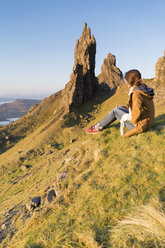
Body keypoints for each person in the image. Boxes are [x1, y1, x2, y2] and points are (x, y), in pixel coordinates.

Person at [86, 69, 155, 137]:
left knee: (115, 111)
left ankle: (97, 127)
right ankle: (99, 125)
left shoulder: (136, 93)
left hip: (141, 125)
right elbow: (136, 105)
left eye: (126, 80)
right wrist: (123, 107)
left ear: (130, 81)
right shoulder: (142, 88)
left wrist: (132, 123)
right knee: (119, 108)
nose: (125, 82)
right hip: (148, 122)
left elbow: (137, 112)